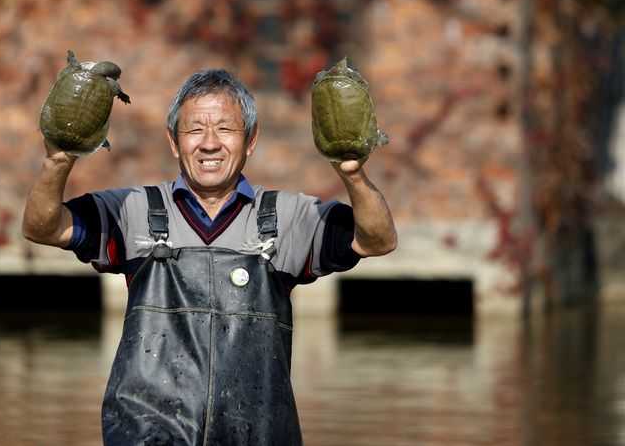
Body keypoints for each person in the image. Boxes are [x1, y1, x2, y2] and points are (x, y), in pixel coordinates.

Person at [22, 68, 397, 445]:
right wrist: (58, 161)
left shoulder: (287, 218)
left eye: (225, 129)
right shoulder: (133, 210)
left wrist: (353, 173)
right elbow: (44, 227)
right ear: (173, 141)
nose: (210, 143)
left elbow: (376, 241)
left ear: (251, 140)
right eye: (195, 129)